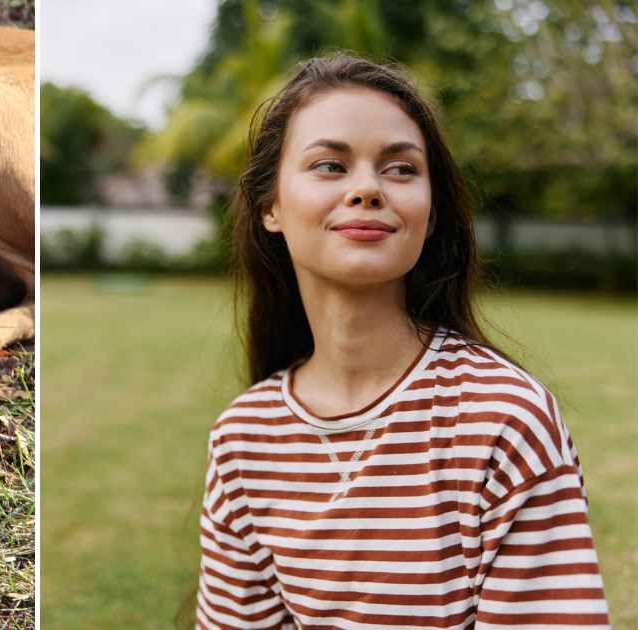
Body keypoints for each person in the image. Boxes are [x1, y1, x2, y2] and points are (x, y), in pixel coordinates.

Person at [196, 54, 609, 629]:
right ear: (271, 207)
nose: (367, 188)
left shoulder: (504, 420)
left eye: (400, 169)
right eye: (329, 165)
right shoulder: (243, 439)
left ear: (432, 212)